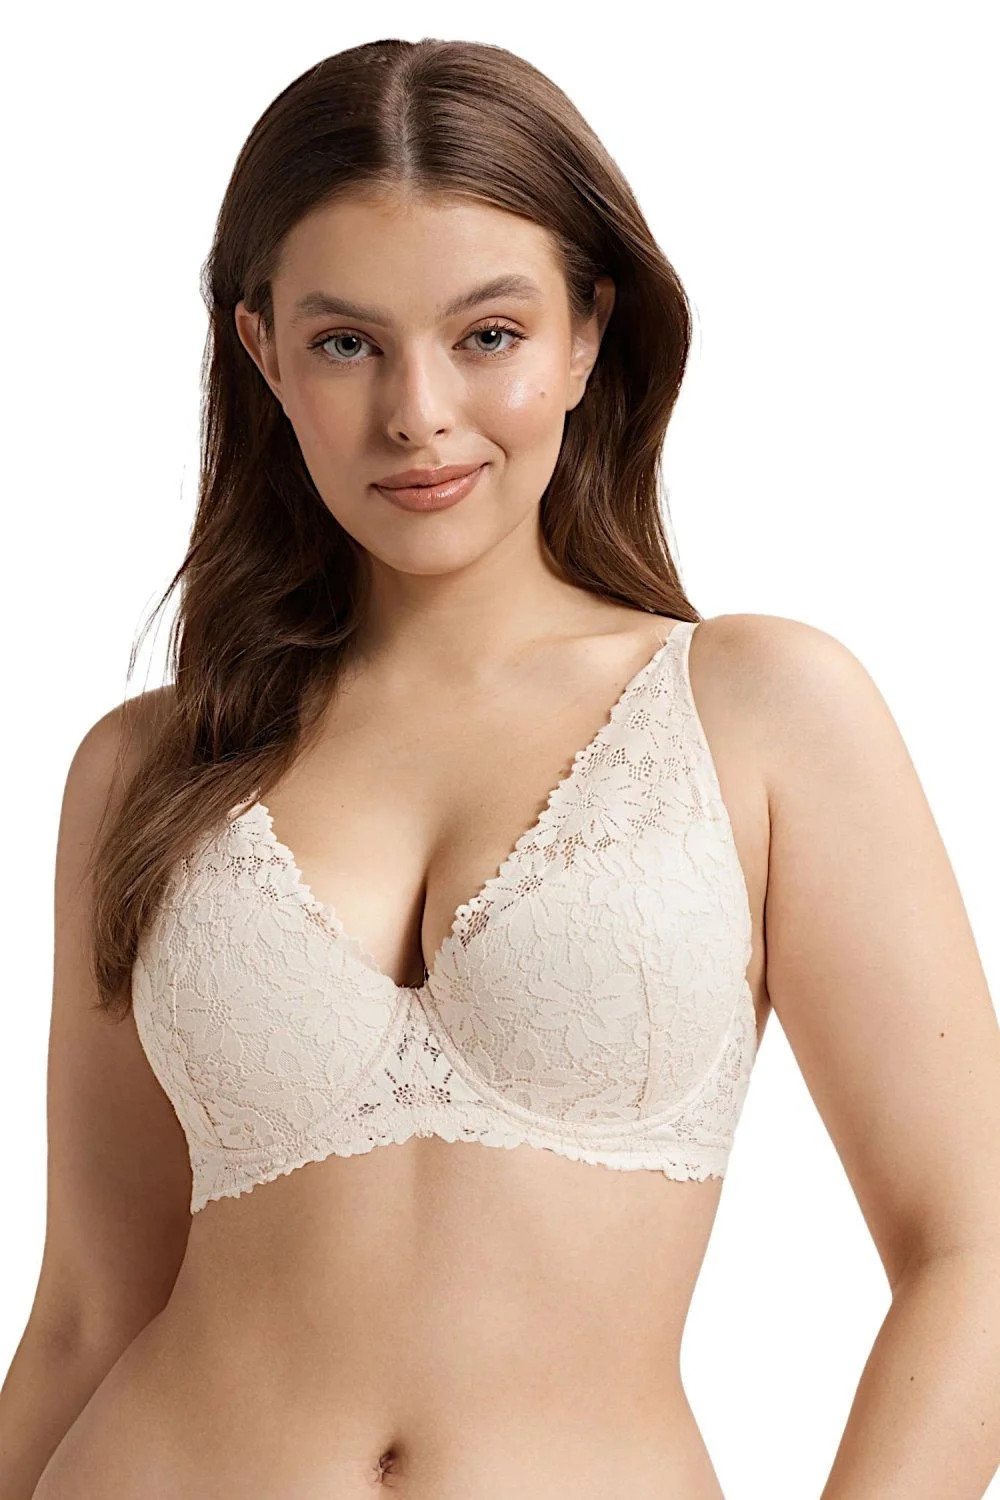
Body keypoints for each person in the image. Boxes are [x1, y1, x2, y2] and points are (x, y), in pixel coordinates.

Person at [4, 36, 999, 1500]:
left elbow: (974, 1252)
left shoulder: (762, 711)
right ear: (263, 352)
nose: (417, 411)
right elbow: (89, 1315)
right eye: (347, 343)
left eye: (487, 334)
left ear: (588, 333)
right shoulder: (147, 768)